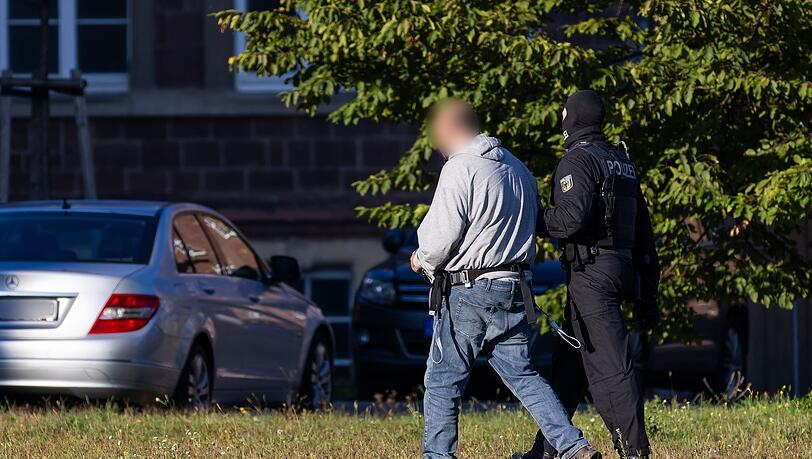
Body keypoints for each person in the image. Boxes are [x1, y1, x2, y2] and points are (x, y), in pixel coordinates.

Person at [411, 98, 602, 459]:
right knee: (524, 376)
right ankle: (574, 447)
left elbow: (440, 238)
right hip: (515, 287)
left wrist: (421, 259)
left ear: (450, 128)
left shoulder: (460, 167)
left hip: (469, 289)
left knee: (443, 382)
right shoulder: (518, 169)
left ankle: (438, 456)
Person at [514, 90, 660, 459]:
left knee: (610, 369)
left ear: (574, 118)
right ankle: (546, 450)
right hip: (616, 268)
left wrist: (530, 218)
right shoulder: (620, 161)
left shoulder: (578, 160)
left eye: (564, 114)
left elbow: (570, 219)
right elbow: (644, 233)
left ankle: (635, 451)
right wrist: (648, 294)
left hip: (592, 275)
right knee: (569, 368)